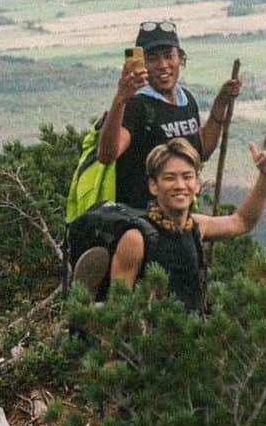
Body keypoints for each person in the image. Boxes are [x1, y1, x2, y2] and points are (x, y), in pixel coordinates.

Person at [69, 19, 241, 285]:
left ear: (180, 58)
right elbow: (108, 154)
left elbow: (201, 150)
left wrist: (220, 104)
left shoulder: (187, 101)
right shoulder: (138, 106)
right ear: (142, 63)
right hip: (140, 227)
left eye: (168, 55)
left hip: (175, 223)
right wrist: (121, 99)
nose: (162, 65)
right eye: (152, 57)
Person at [76, 135, 266, 313]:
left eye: (187, 177)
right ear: (154, 186)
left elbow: (242, 222)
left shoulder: (196, 226)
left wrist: (265, 176)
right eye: (170, 178)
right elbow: (119, 310)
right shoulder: (136, 239)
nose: (180, 185)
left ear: (197, 184)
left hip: (189, 344)